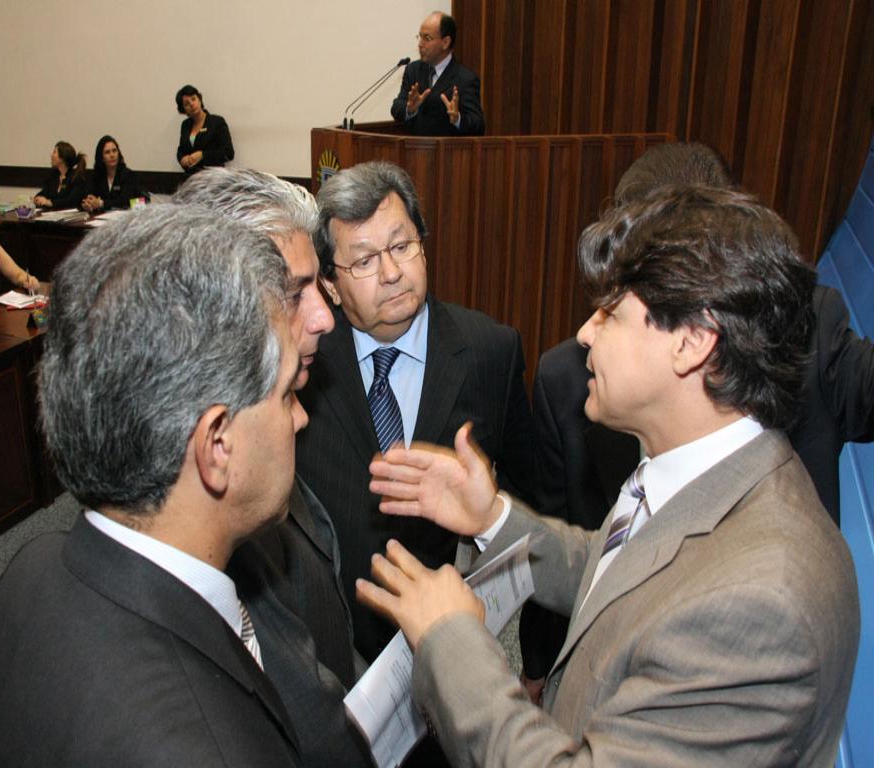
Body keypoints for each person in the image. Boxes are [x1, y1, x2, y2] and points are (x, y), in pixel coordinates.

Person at [361, 185, 860, 767]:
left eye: (611, 314)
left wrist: (452, 641)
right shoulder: (695, 469)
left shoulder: (759, 605)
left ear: (692, 343)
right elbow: (619, 578)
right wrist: (492, 517)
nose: (585, 333)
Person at [517, 141, 874, 696]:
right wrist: (538, 671)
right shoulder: (572, 379)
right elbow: (601, 555)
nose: (589, 330)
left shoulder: (805, 332)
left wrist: (450, 642)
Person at [0, 204, 305, 766]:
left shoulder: (31, 568)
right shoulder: (206, 750)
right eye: (288, 394)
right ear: (217, 445)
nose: (301, 418)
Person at [296, 160, 536, 665]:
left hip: (445, 645)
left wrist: (537, 657)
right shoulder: (303, 363)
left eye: (402, 246)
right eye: (364, 260)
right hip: (330, 646)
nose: (392, 273)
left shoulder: (490, 351)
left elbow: (531, 509)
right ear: (331, 286)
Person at [173, 168, 373, 767]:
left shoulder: (279, 414)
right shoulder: (200, 509)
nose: (325, 318)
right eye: (294, 292)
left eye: (319, 286)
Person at [391, 11, 485, 136]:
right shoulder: (413, 70)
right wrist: (409, 109)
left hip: (447, 148)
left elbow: (478, 126)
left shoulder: (465, 79)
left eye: (427, 38)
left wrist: (458, 119)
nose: (420, 44)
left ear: (445, 42)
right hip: (414, 147)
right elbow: (396, 108)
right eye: (420, 37)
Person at [175, 84, 234, 175]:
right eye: (187, 104)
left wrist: (203, 155)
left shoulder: (217, 122)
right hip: (191, 177)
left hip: (213, 177)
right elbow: (181, 151)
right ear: (184, 110)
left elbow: (228, 153)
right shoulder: (185, 125)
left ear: (199, 99)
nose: (192, 104)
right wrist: (182, 159)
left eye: (193, 99)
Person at [79, 135, 146, 213]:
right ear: (101, 158)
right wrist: (87, 204)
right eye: (107, 152)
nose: (112, 155)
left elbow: (125, 201)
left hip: (125, 217)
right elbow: (86, 196)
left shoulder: (129, 175)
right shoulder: (96, 177)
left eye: (114, 151)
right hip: (101, 218)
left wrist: (101, 203)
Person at [33, 141, 88, 210]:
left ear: (62, 158)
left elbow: (72, 201)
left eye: (54, 152)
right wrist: (37, 198)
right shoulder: (53, 176)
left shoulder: (76, 177)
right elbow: (44, 193)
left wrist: (50, 203)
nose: (51, 155)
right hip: (52, 214)